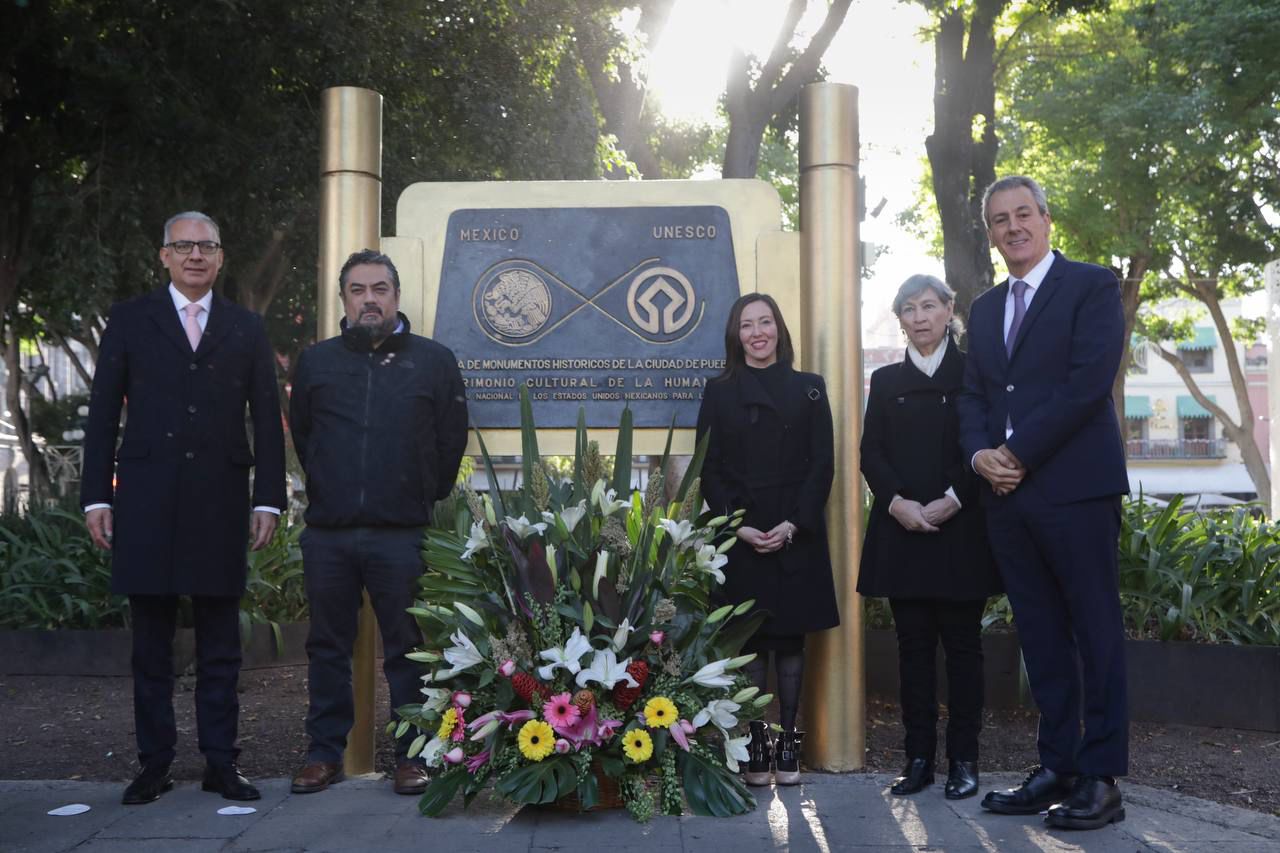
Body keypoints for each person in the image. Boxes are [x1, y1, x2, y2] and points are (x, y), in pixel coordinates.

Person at [82, 211, 286, 805]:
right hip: (144, 500)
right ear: (164, 256)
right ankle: (155, 763)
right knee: (151, 643)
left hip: (220, 500)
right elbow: (101, 415)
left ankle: (222, 762)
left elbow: (267, 423)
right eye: (184, 246)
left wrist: (268, 498)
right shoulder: (130, 321)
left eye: (207, 246)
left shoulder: (246, 327)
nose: (196, 255)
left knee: (221, 643)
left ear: (221, 258)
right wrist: (98, 494)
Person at [957, 176, 1130, 830]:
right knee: (1041, 636)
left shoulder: (1091, 285)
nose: (1012, 227)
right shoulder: (985, 305)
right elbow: (975, 396)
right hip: (1007, 498)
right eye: (1000, 219)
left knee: (1095, 633)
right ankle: (1058, 763)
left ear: (1046, 219)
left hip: (1075, 489)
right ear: (992, 232)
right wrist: (981, 458)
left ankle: (1102, 778)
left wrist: (1015, 453)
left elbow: (1088, 383)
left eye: (1023, 213)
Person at [288, 248, 468, 796]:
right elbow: (304, 436)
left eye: (380, 289)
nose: (370, 299)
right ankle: (323, 755)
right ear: (344, 299)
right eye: (359, 290)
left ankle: (412, 756)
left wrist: (417, 493)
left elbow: (449, 442)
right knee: (326, 647)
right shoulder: (317, 362)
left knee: (408, 647)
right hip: (330, 532)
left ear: (395, 295)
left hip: (401, 532)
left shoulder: (434, 360)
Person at [858, 275, 1002, 800]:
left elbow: (988, 442)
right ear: (899, 319)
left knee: (964, 651)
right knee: (912, 650)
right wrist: (896, 501)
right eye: (908, 309)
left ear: (949, 311)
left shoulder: (973, 375)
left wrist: (955, 498)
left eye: (928, 306)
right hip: (903, 530)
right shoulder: (887, 379)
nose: (919, 317)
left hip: (961, 529)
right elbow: (870, 451)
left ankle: (965, 760)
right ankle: (917, 758)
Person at [695, 292, 839, 787]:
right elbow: (707, 468)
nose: (758, 332)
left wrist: (795, 523)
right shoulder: (718, 392)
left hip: (794, 530)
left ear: (779, 328)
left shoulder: (810, 388)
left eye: (766, 322)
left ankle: (790, 747)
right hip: (745, 530)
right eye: (747, 325)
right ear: (735, 336)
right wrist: (737, 525)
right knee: (753, 642)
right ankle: (757, 750)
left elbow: (823, 465)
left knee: (791, 641)